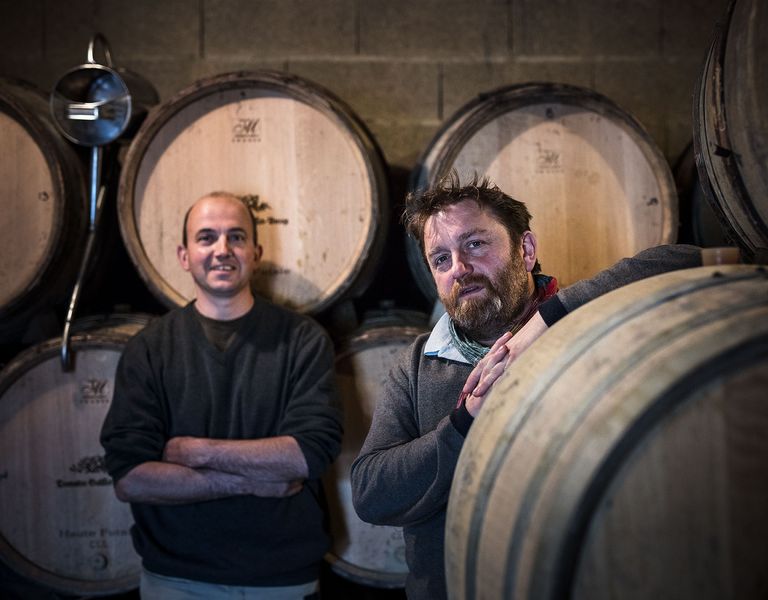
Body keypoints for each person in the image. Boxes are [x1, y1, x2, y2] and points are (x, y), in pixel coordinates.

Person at [350, 174, 703, 599]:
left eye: (476, 244)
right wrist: (465, 423)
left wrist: (548, 319)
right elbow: (372, 493)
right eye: (441, 259)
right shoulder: (417, 364)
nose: (459, 268)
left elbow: (688, 259)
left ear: (526, 250)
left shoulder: (585, 326)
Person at [100, 191, 342, 599]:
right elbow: (131, 478)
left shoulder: (303, 340)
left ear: (256, 251)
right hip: (175, 578)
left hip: (282, 578)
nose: (222, 250)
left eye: (236, 237)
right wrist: (248, 481)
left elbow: (307, 453)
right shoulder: (150, 348)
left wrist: (196, 452)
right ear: (184, 255)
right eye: (206, 237)